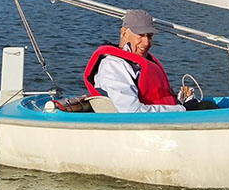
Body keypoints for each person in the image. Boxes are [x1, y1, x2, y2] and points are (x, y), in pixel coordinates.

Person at [84, 9, 216, 113]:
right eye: (140, 35)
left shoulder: (136, 62)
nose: (146, 42)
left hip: (162, 117)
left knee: (208, 106)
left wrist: (180, 101)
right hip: (141, 124)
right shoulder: (112, 66)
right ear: (124, 32)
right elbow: (132, 111)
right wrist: (183, 109)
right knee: (208, 108)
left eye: (150, 36)